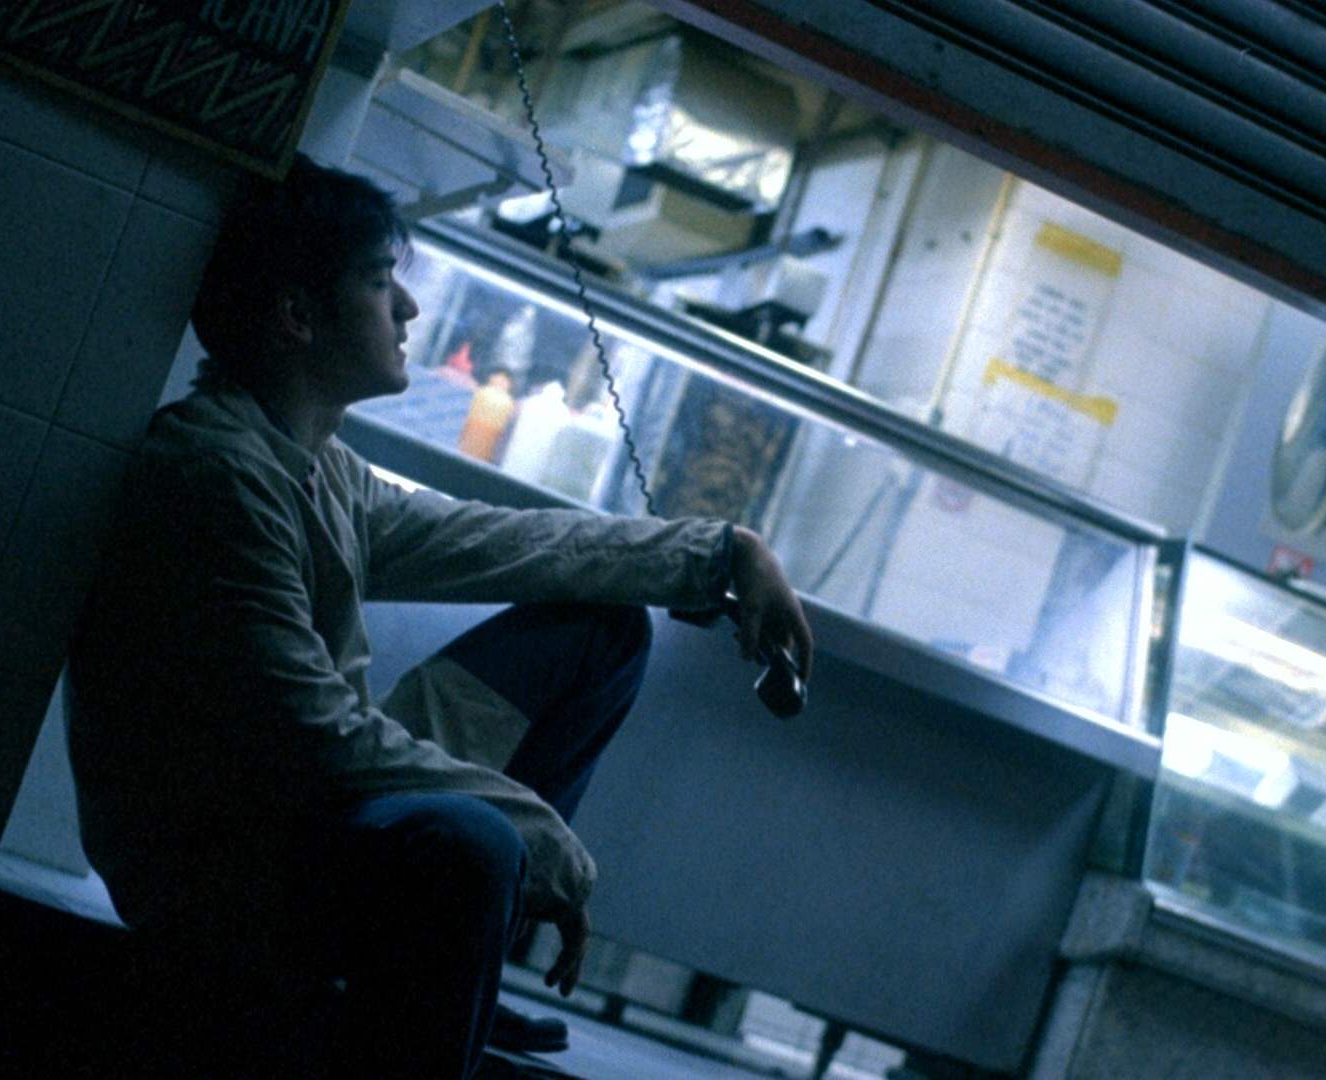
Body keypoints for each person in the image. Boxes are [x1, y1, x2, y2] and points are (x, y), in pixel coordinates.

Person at [63, 154, 812, 1079]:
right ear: (297, 317)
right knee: (478, 841)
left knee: (603, 631)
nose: (410, 308)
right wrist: (538, 832)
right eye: (381, 283)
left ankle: (466, 972)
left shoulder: (314, 463)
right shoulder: (217, 474)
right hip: (230, 870)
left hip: (309, 811)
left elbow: (506, 544)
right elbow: (316, 738)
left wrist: (723, 552)